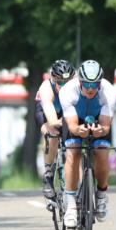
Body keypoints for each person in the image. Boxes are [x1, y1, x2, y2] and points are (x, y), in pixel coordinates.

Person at [59, 60, 116, 227]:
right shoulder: (68, 91)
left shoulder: (109, 91)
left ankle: (101, 195)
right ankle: (71, 205)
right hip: (75, 119)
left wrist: (101, 130)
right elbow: (72, 126)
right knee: (73, 151)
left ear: (100, 83)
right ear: (79, 81)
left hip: (99, 119)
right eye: (86, 84)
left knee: (102, 153)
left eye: (95, 84)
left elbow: (105, 126)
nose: (90, 89)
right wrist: (78, 130)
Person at [35, 59, 75, 199]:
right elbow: (52, 120)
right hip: (47, 111)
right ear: (53, 79)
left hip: (66, 111)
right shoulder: (46, 88)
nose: (64, 86)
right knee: (52, 134)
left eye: (68, 82)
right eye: (60, 83)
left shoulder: (77, 85)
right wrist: (56, 123)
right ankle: (48, 174)